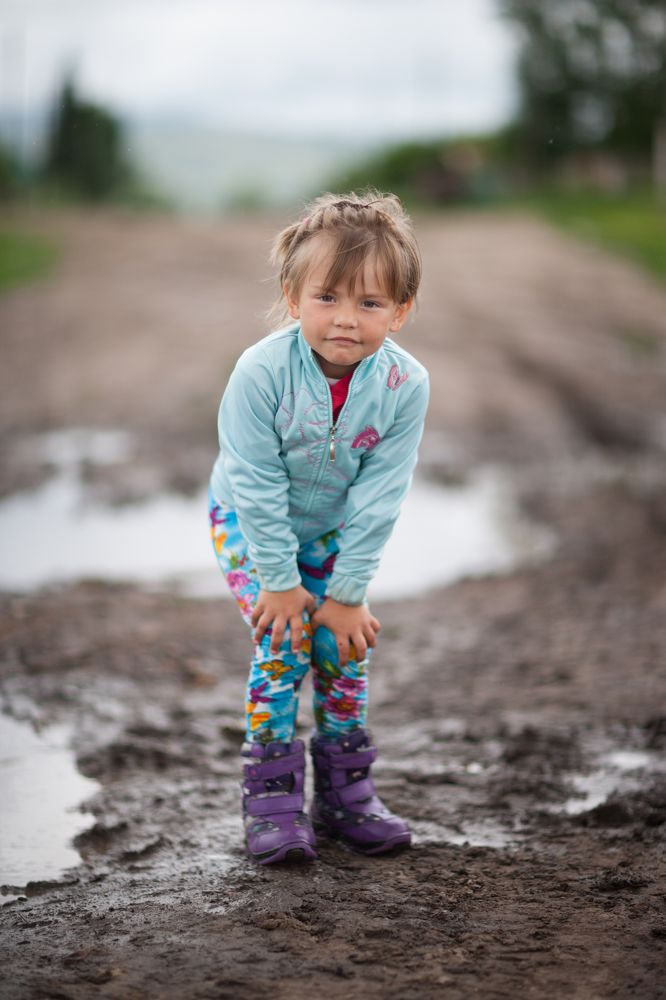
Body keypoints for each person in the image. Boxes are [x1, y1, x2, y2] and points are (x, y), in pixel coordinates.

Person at [208, 190, 429, 865]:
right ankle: (272, 801)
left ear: (400, 311)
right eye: (327, 297)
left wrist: (349, 593)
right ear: (293, 297)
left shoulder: (405, 385)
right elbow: (255, 483)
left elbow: (380, 497)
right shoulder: (260, 372)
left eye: (370, 303)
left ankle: (346, 795)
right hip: (248, 520)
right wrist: (279, 584)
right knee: (283, 643)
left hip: (332, 529)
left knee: (341, 645)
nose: (345, 319)